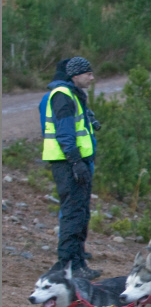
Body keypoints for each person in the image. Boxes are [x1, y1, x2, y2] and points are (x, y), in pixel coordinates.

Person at [43, 56, 102, 280]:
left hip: (75, 161)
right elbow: (65, 133)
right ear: (75, 75)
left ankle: (77, 262)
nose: (92, 77)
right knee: (73, 214)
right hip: (67, 163)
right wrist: (76, 162)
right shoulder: (63, 96)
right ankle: (68, 265)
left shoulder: (73, 95)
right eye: (88, 73)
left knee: (81, 213)